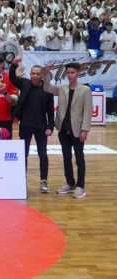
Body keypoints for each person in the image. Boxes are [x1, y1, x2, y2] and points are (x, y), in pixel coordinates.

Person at [43, 62, 93, 199]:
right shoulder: (61, 88)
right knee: (66, 158)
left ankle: (80, 186)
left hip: (77, 130)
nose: (70, 75)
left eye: (72, 72)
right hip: (63, 129)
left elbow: (87, 111)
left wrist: (85, 130)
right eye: (68, 73)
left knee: (79, 159)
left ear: (78, 74)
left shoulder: (85, 90)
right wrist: (47, 72)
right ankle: (70, 183)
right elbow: (47, 87)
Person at [9, 56, 54, 193]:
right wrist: (13, 65)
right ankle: (22, 179)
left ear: (42, 75)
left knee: (43, 154)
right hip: (25, 125)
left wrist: (50, 127)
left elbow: (50, 111)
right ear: (30, 74)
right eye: (33, 73)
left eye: (37, 74)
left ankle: (44, 181)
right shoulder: (25, 83)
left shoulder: (47, 90)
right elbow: (12, 78)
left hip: (41, 127)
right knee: (24, 154)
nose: (34, 76)